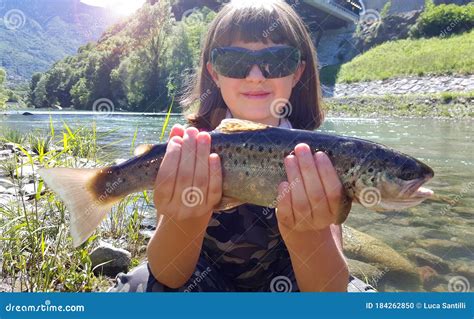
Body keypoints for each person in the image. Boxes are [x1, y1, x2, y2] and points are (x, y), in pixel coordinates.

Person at [109, 0, 376, 292]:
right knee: (139, 286)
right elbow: (169, 275)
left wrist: (310, 236)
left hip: (286, 288)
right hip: (205, 287)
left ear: (297, 72)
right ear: (214, 73)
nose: (255, 75)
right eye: (234, 61)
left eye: (276, 61)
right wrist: (184, 220)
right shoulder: (189, 152)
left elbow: (327, 292)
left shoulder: (317, 159)